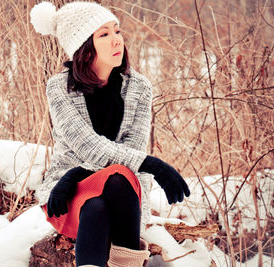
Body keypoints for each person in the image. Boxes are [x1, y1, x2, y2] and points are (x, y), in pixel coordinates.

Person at [30, 2, 190, 266]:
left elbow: (132, 151)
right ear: (83, 47)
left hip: (121, 193)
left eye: (117, 31)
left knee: (118, 178)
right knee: (97, 203)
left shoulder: (139, 87)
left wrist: (75, 172)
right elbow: (87, 145)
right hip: (68, 193)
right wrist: (155, 165)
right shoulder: (60, 87)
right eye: (104, 34)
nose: (117, 40)